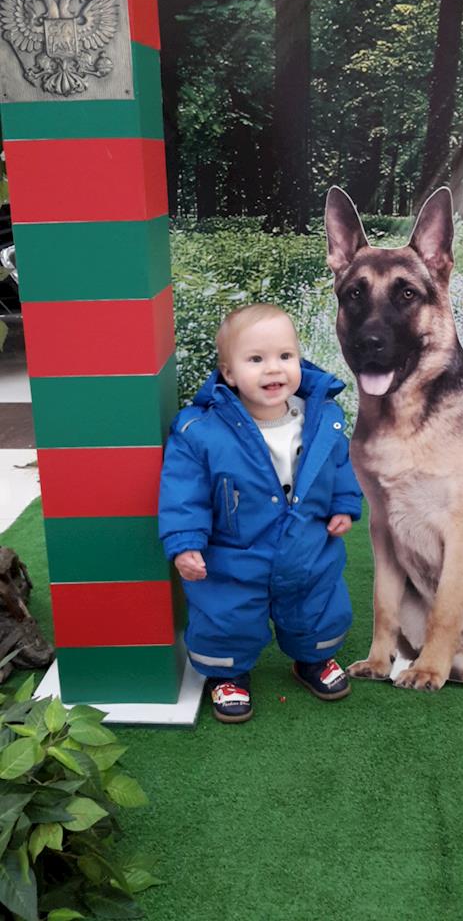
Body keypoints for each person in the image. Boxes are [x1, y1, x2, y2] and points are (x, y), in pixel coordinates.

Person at [159, 303, 362, 723]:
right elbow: (183, 492)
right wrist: (185, 543)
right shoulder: (200, 432)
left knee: (316, 600)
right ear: (229, 373)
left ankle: (312, 658)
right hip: (234, 550)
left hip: (307, 541)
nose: (273, 369)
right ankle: (228, 673)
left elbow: (339, 464)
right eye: (255, 359)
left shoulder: (322, 418)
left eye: (285, 356)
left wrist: (344, 504)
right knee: (227, 611)